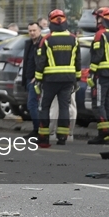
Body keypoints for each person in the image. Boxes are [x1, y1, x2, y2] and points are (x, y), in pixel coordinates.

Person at [34, 9, 80, 147]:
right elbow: (78, 61)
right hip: (68, 80)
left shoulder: (46, 40)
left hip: (50, 80)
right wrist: (76, 79)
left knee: (44, 107)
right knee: (64, 107)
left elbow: (40, 62)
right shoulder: (73, 39)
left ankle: (43, 137)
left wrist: (38, 80)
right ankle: (62, 137)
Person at [88, 7, 109, 145]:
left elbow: (97, 55)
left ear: (102, 19)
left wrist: (91, 73)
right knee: (107, 103)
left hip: (102, 74)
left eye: (98, 18)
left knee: (98, 103)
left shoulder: (100, 35)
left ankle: (104, 134)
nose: (97, 20)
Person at [22, 21, 42, 133]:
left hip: (38, 79)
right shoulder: (28, 44)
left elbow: (43, 62)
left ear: (39, 31)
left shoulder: (43, 43)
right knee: (32, 105)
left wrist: (37, 76)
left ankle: (37, 130)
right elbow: (27, 62)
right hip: (29, 79)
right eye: (30, 31)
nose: (32, 33)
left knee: (32, 104)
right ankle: (38, 129)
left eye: (34, 30)